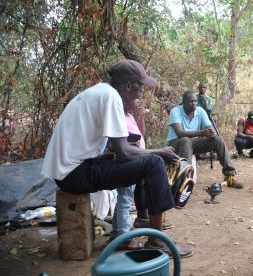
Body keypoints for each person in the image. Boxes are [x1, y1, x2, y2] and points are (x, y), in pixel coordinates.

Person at [41, 59, 192, 257]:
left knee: (143, 163)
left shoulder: (101, 92)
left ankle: (143, 220)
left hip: (71, 170)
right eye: (141, 86)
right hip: (74, 174)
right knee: (154, 163)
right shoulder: (111, 97)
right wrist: (159, 152)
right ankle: (156, 241)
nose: (142, 91)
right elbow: (123, 151)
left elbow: (114, 147)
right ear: (128, 86)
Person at [166, 90, 243, 188]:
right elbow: (180, 133)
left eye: (195, 101)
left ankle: (230, 176)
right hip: (175, 144)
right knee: (185, 140)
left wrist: (210, 133)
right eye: (190, 102)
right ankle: (185, 181)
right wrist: (201, 133)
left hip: (193, 143)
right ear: (184, 103)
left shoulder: (200, 111)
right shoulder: (176, 111)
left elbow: (212, 130)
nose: (193, 104)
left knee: (218, 140)